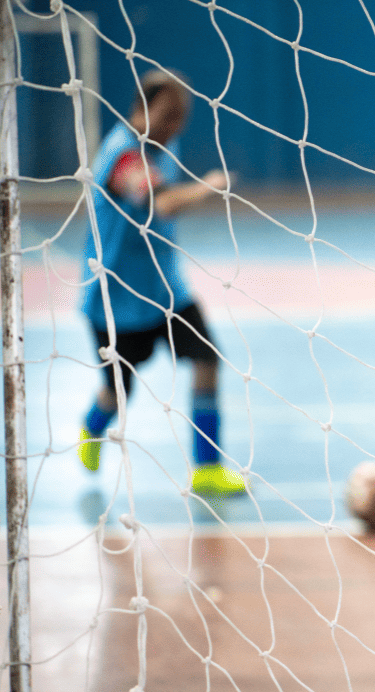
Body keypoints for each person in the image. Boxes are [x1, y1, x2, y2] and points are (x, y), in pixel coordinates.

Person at [77, 70, 246, 495]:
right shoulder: (122, 157)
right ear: (140, 109)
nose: (175, 126)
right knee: (118, 392)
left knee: (207, 359)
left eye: (182, 116)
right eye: (167, 115)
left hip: (166, 291)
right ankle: (90, 428)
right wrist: (210, 186)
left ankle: (206, 469)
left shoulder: (162, 146)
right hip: (117, 299)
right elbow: (163, 204)